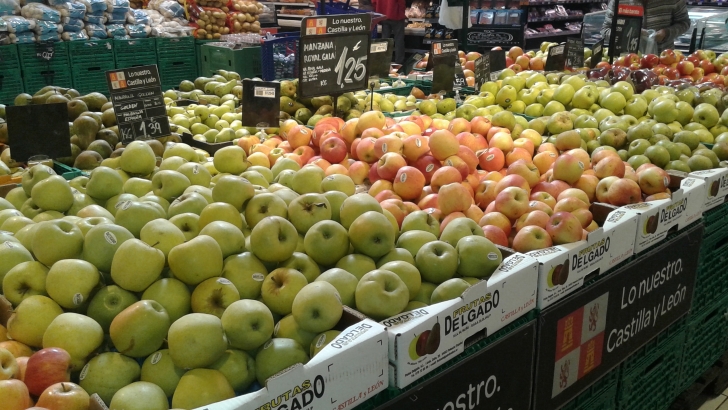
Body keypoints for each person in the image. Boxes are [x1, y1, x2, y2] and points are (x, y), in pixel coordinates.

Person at [601, 0, 690, 53]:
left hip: (663, 61)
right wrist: (628, 34)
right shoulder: (617, 1)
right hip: (625, 61)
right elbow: (605, 30)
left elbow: (684, 22)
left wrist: (666, 33)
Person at [373, 0, 406, 65]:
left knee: (384, 39)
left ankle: (383, 61)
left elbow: (374, 2)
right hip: (396, 15)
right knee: (399, 39)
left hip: (384, 15)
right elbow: (401, 2)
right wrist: (402, 12)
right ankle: (399, 61)